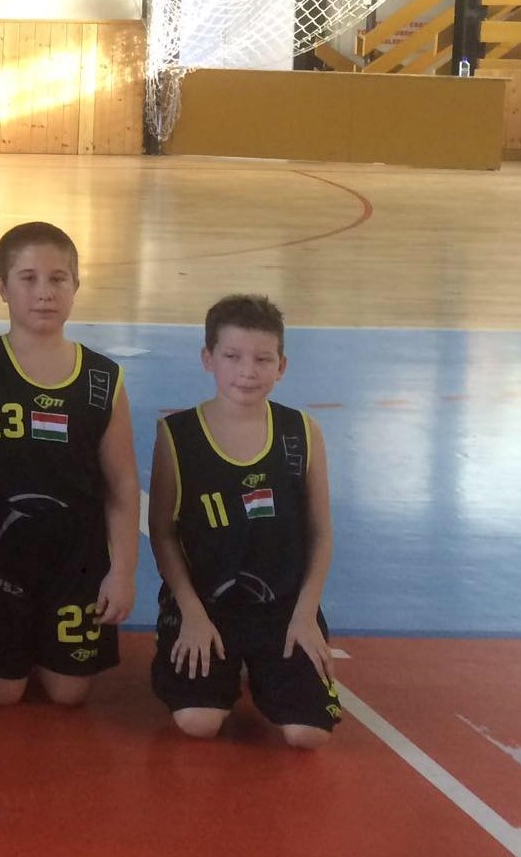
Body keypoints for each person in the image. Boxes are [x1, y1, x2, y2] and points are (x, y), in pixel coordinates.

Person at [0, 221, 140, 707]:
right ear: (1, 287)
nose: (44, 292)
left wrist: (123, 572)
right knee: (3, 692)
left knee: (68, 693)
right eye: (28, 279)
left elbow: (122, 484)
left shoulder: (102, 379)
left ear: (76, 285)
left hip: (75, 563)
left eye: (57, 279)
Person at [149, 294, 340, 747]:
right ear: (208, 359)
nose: (248, 371)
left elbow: (320, 533)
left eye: (262, 359)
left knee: (308, 734)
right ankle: (220, 668)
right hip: (207, 607)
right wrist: (191, 613)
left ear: (282, 366)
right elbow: (163, 533)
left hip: (281, 609)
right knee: (197, 722)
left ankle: (266, 673)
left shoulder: (302, 434)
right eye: (232, 357)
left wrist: (305, 615)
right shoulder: (178, 436)